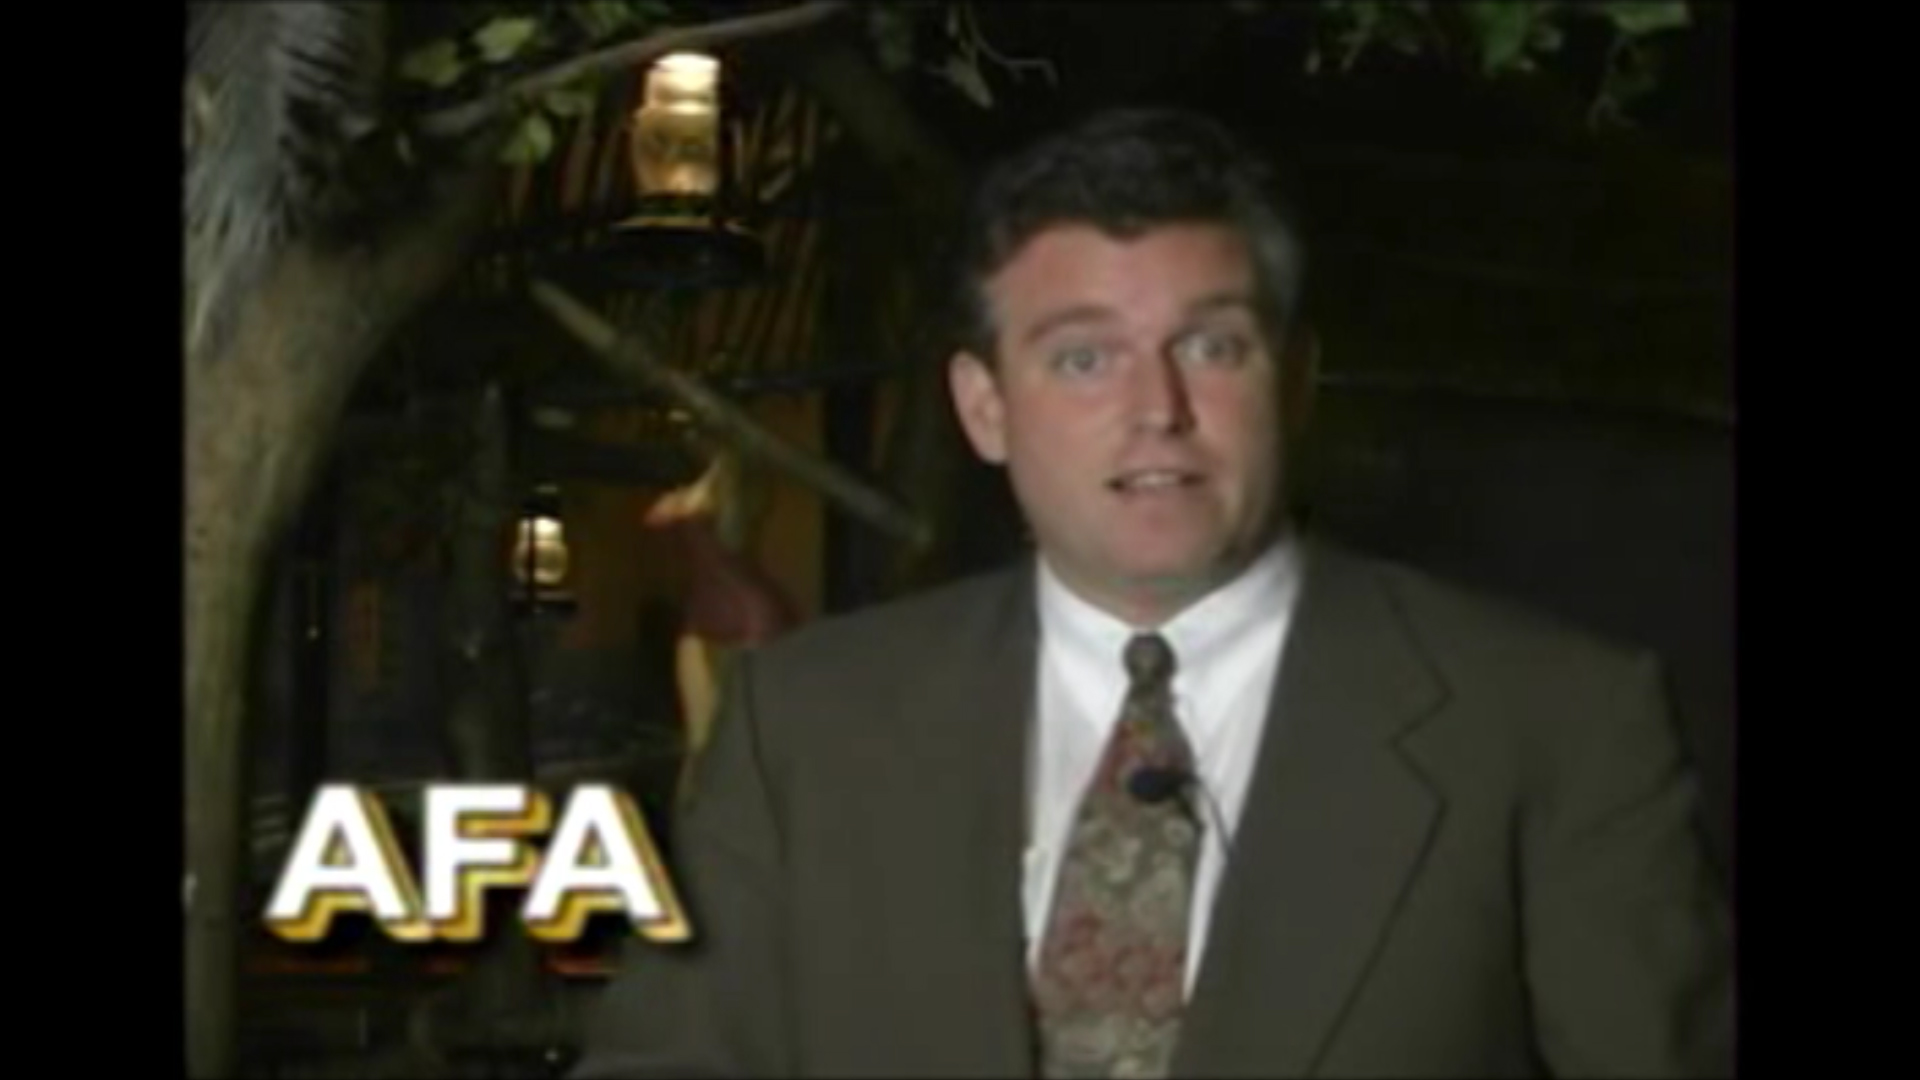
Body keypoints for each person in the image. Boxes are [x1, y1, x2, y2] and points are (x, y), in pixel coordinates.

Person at [571, 107, 1734, 1078]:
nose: (1156, 411)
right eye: (1084, 358)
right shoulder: (803, 724)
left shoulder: (1553, 723)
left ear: (1296, 380)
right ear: (985, 407)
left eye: (1212, 348)